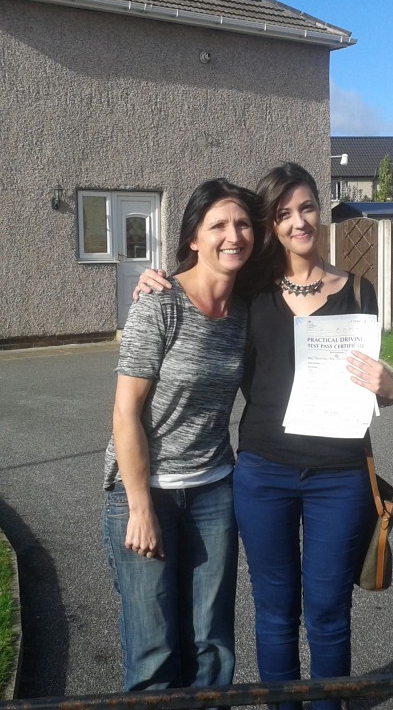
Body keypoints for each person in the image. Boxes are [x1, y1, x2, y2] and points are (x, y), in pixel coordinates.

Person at [137, 163, 393, 710]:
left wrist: (391, 387)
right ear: (272, 225)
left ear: (320, 213)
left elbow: (372, 387)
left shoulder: (358, 291)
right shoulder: (251, 292)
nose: (297, 222)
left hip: (340, 477)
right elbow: (200, 283)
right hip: (264, 474)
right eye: (283, 214)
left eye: (306, 208)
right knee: (275, 612)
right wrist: (154, 279)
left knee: (328, 612)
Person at [103, 177, 265, 693]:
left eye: (241, 223)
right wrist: (140, 506)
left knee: (212, 642)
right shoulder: (160, 303)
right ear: (193, 237)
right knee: (153, 646)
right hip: (145, 491)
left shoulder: (248, 310)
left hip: (214, 490)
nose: (232, 234)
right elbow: (126, 412)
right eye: (217, 224)